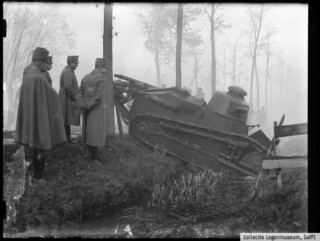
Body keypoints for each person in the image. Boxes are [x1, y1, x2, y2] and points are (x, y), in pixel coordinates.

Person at [15, 47, 67, 180]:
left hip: (32, 113)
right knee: (42, 145)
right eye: (47, 63)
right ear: (41, 62)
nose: (48, 66)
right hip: (40, 115)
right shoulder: (38, 77)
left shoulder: (28, 72)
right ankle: (39, 177)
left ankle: (33, 172)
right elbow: (52, 95)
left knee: (35, 143)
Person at [77, 58, 107, 161]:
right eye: (105, 68)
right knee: (95, 132)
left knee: (88, 131)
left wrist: (82, 105)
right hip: (96, 109)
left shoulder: (85, 77)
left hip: (86, 109)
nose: (106, 71)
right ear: (102, 67)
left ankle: (88, 155)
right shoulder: (102, 78)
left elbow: (79, 93)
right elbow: (99, 96)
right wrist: (89, 106)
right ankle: (94, 158)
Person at [59, 55, 81, 144]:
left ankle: (67, 139)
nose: (77, 65)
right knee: (66, 119)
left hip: (67, 98)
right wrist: (74, 98)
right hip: (66, 98)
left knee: (66, 119)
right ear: (70, 63)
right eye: (75, 63)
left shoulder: (69, 71)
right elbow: (68, 86)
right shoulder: (68, 72)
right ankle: (66, 139)